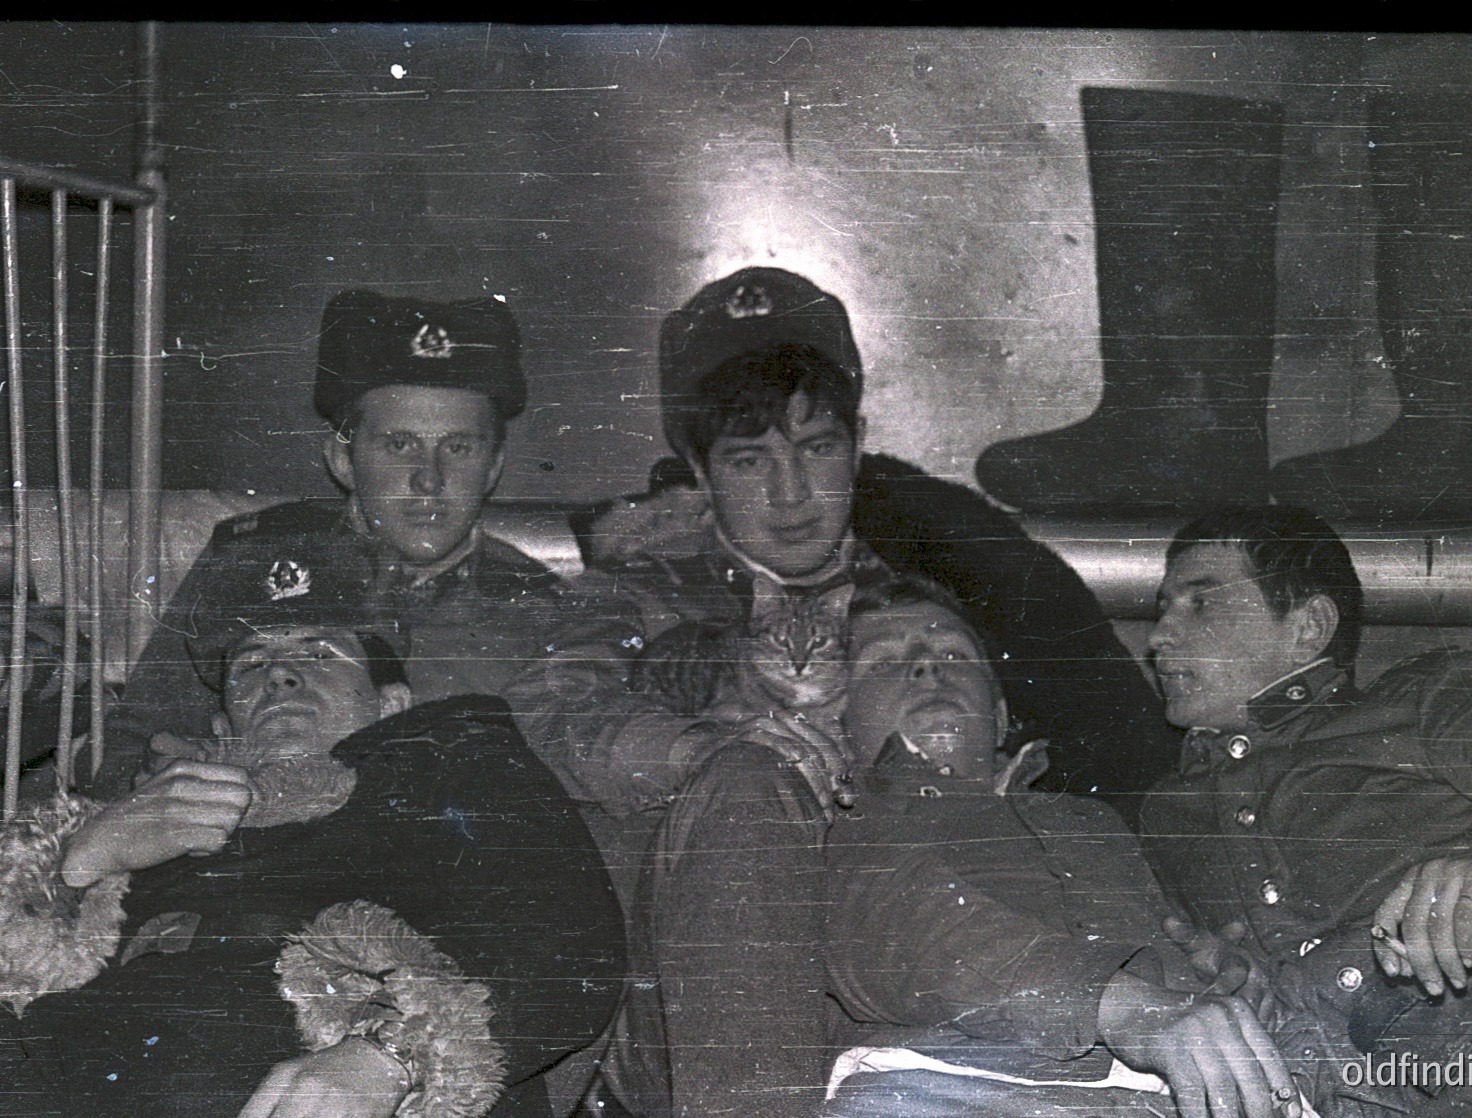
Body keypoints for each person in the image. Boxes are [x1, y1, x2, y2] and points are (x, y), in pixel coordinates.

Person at [602, 573, 1301, 1118]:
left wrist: (1235, 974)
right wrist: (1116, 1003)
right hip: (941, 1088)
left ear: (1000, 712)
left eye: (951, 653)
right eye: (885, 662)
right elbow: (878, 913)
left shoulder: (1100, 825)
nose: (927, 669)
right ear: (834, 714)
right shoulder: (823, 807)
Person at [509, 266, 1169, 838]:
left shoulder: (951, 579)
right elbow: (552, 710)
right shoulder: (636, 591)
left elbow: (1112, 752)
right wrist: (698, 748)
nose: (790, 495)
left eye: (816, 450)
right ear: (699, 471)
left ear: (858, 444)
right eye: (748, 461)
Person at [0, 534, 624, 1117]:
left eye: (320, 652)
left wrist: (391, 1058)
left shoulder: (451, 757)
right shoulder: (142, 816)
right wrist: (80, 860)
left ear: (392, 704)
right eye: (251, 663)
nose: (280, 673)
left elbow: (563, 945)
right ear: (224, 725)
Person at [1137, 505, 1472, 1118]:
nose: (1158, 636)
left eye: (1201, 603)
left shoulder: (1429, 696)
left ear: (1309, 626)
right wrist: (1253, 991)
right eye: (1162, 608)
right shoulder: (1164, 815)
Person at [93, 289, 619, 798]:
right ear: (343, 460)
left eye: (458, 447)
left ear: (494, 468)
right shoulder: (259, 557)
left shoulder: (538, 605)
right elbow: (135, 745)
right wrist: (155, 776)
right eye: (399, 444)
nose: (429, 480)